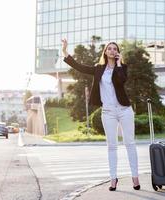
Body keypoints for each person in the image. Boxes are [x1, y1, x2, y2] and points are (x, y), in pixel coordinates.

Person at [61, 39, 140, 191]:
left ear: (117, 52)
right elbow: (79, 67)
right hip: (108, 112)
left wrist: (118, 64)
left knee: (130, 143)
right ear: (105, 52)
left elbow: (121, 80)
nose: (111, 50)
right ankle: (113, 179)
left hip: (124, 110)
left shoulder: (122, 67)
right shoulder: (98, 69)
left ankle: (135, 177)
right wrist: (65, 51)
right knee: (111, 146)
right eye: (109, 48)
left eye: (114, 48)